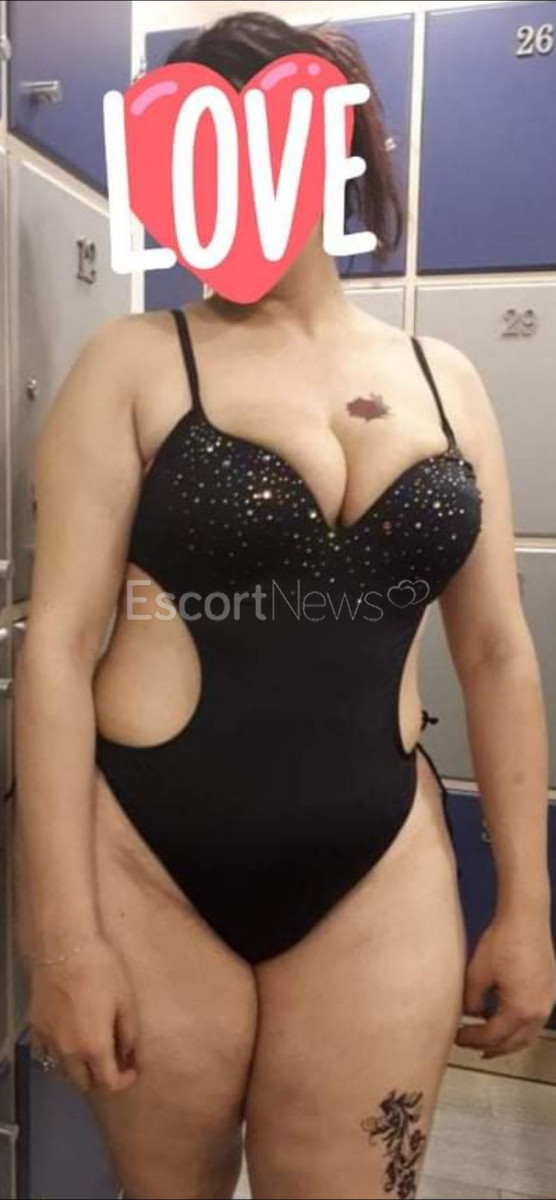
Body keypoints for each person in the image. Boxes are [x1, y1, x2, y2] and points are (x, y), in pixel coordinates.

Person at [13, 12, 555, 1200]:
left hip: (380, 863)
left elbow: (496, 654)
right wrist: (62, 938)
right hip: (147, 864)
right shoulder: (134, 361)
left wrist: (527, 904)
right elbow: (57, 650)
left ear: (335, 144)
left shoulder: (447, 381)